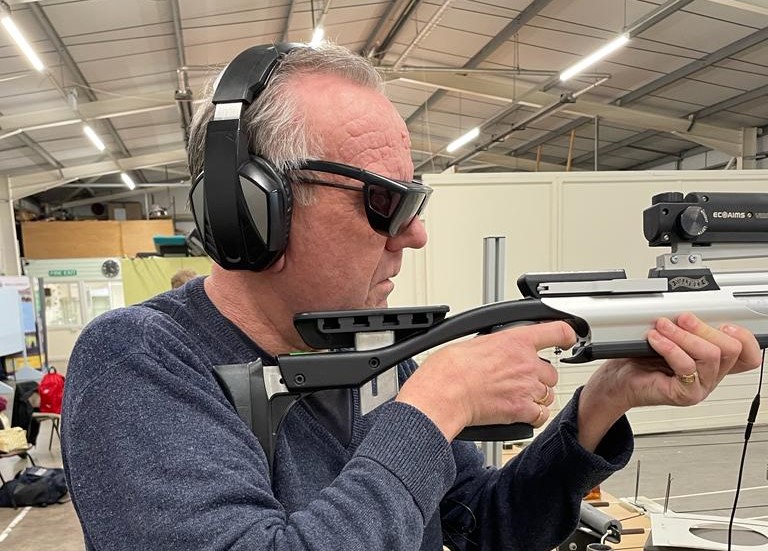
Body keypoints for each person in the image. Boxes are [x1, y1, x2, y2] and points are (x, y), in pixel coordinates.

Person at [61, 43, 761, 551]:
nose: (416, 233)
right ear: (253, 207)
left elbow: (484, 526)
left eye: (413, 200)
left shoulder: (366, 352)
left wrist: (604, 401)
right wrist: (437, 404)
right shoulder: (139, 359)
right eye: (383, 202)